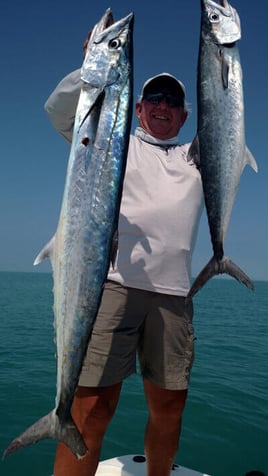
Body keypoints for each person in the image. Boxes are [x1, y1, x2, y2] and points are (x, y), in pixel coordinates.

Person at [45, 62, 204, 476]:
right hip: (108, 285)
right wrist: (91, 69)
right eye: (154, 98)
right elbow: (59, 111)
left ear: (185, 116)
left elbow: (229, 127)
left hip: (174, 297)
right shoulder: (111, 143)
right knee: (92, 407)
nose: (163, 106)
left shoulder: (198, 157)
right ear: (137, 109)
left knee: (170, 409)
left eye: (173, 101)